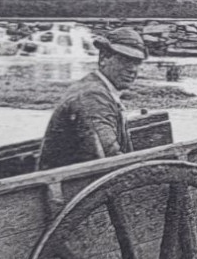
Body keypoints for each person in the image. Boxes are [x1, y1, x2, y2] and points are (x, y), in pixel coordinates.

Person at [37, 26, 147, 170]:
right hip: (70, 186)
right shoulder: (93, 96)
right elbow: (109, 159)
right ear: (103, 58)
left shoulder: (97, 88)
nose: (132, 69)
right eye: (125, 60)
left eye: (136, 62)